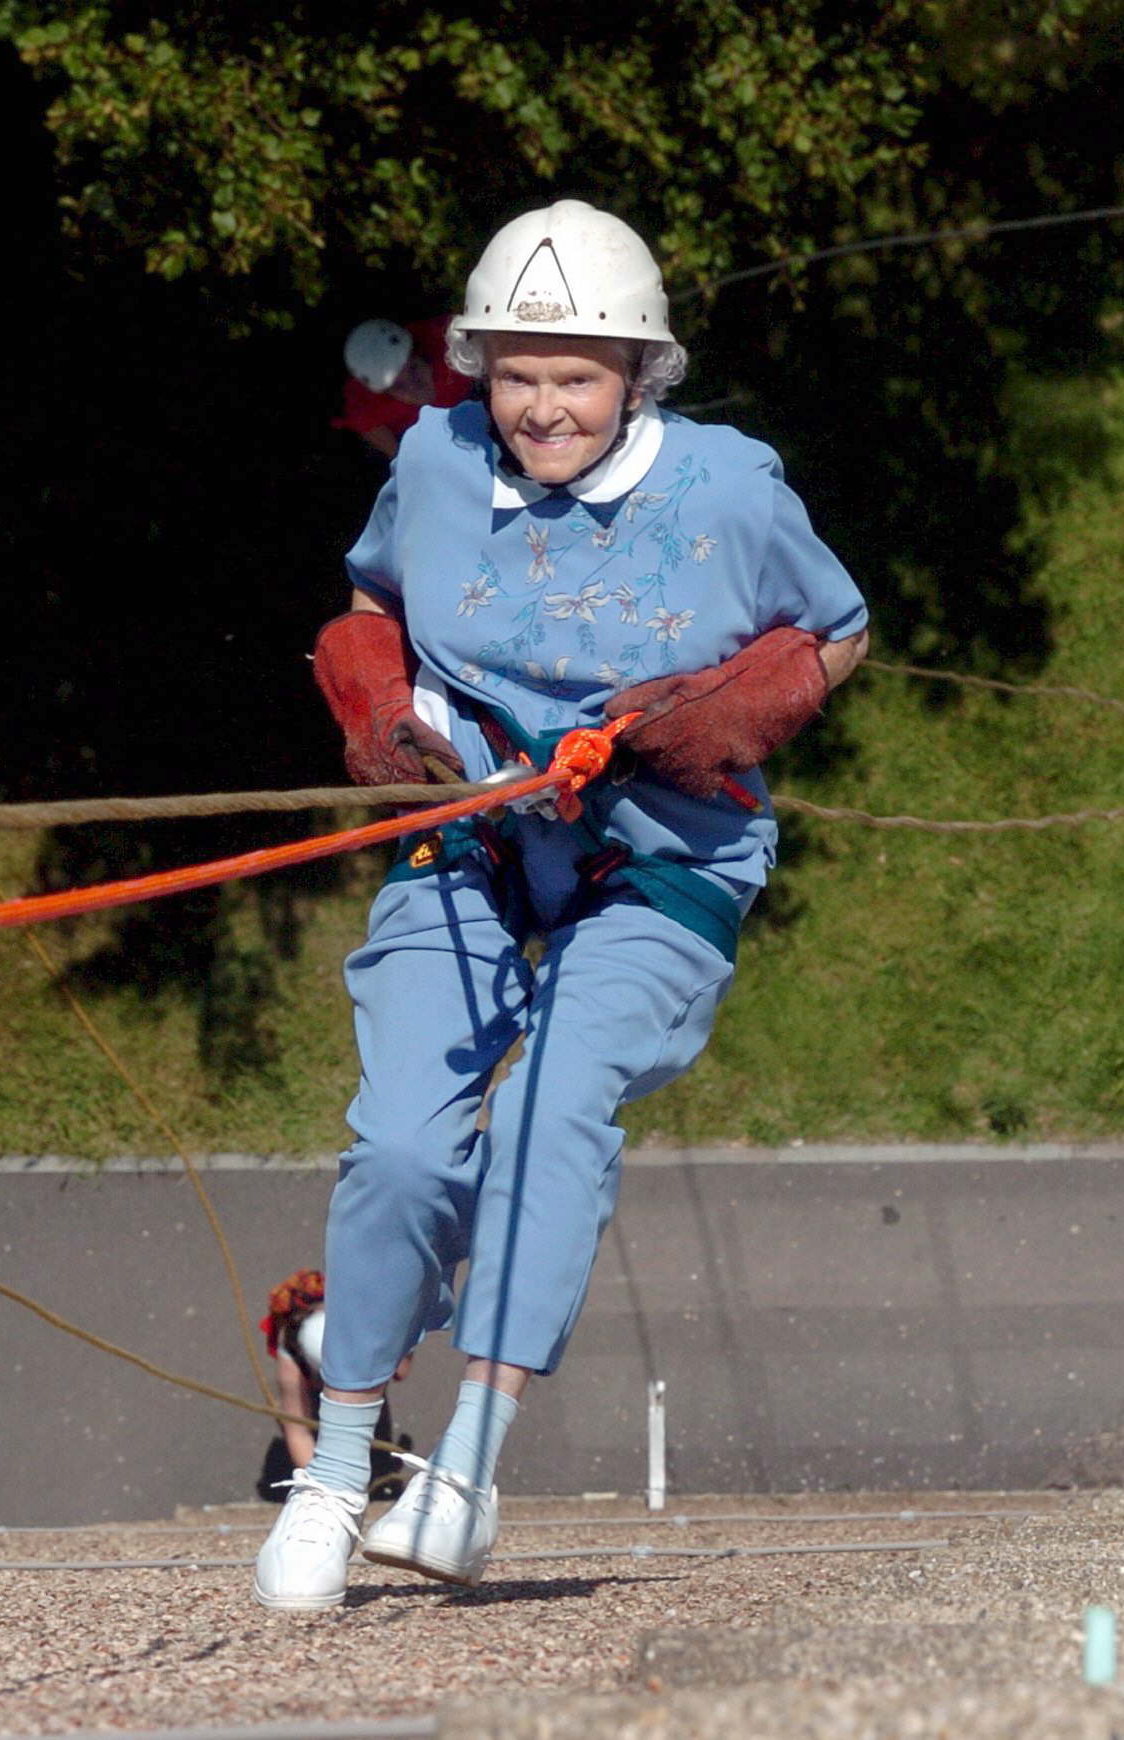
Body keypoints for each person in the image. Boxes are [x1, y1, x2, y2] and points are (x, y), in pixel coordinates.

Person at [253, 199, 869, 1610]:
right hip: (474, 828)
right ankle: (339, 1473)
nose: (542, 409)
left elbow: (838, 629)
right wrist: (374, 701)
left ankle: (466, 1473)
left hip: (662, 842)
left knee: (551, 1106)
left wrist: (740, 706)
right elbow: (370, 602)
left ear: (638, 377)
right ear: (481, 371)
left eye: (576, 378)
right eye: (517, 376)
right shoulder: (434, 458)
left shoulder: (728, 491)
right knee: (406, 1148)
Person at [254, 1269, 410, 1503]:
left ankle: (374, 1462)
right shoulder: (293, 1359)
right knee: (311, 1419)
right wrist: (325, 1487)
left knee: (371, 1422)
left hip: (367, 1360)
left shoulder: (376, 1336)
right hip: (320, 1375)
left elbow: (401, 1370)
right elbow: (298, 1431)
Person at [331, 317, 473, 460]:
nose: (414, 386)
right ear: (384, 392)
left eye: (413, 369)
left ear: (419, 354)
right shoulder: (365, 406)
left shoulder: (454, 344)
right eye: (399, 386)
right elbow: (403, 460)